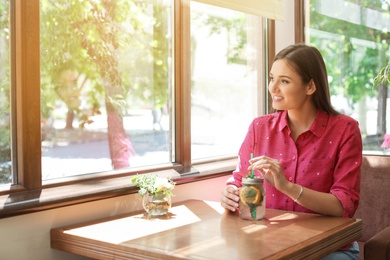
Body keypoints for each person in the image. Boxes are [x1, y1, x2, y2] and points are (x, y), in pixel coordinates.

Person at [220, 43, 362, 260]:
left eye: (284, 81)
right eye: (271, 78)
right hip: (269, 244)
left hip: (329, 249)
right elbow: (239, 179)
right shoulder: (259, 127)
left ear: (311, 86)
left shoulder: (345, 130)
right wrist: (230, 193)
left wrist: (286, 187)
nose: (273, 88)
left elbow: (344, 205)